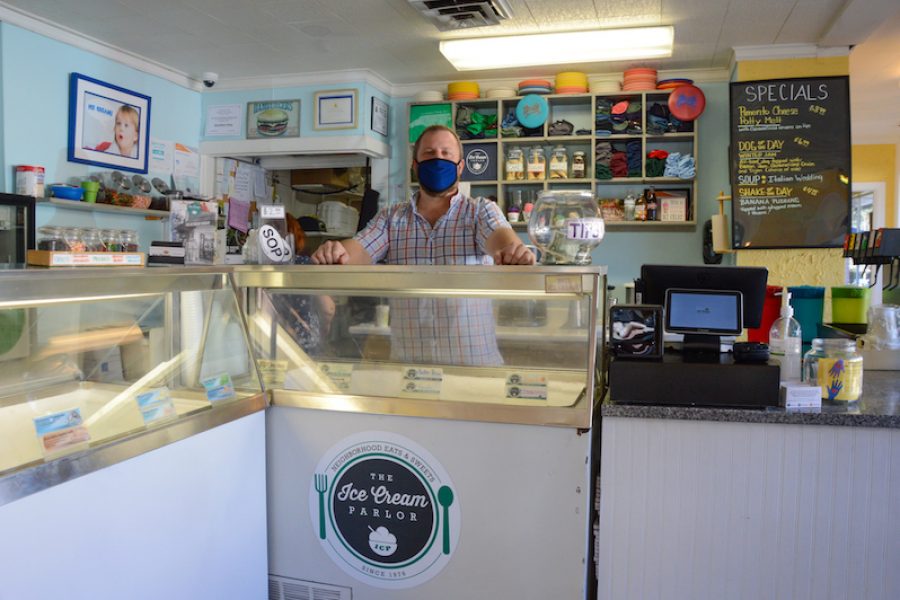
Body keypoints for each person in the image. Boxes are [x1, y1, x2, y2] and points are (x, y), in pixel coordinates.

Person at [311, 125, 535, 366]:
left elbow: (501, 240)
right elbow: (358, 251)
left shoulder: (479, 211)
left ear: (460, 166)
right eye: (429, 153)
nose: (437, 159)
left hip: (474, 365)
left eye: (446, 153)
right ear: (415, 165)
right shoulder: (391, 218)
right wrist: (336, 251)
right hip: (411, 371)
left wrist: (512, 251)